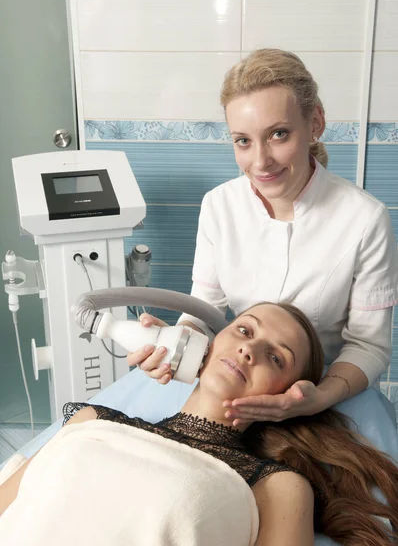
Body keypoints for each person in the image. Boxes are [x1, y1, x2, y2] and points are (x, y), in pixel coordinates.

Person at [128, 48, 398, 427]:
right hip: (238, 384)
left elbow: (369, 346)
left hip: (325, 396)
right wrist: (175, 345)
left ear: (316, 121)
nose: (260, 162)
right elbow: (204, 310)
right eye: (243, 141)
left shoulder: (365, 219)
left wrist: (318, 398)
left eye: (278, 134)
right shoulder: (219, 205)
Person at [0, 302, 397, 546]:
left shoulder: (277, 487)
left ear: (287, 395)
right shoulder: (91, 419)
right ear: (207, 342)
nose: (248, 349)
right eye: (244, 330)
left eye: (276, 357)